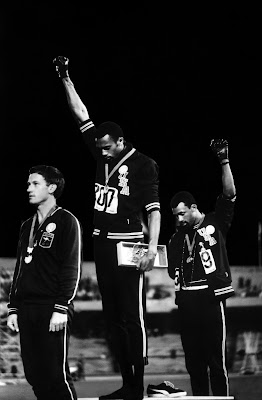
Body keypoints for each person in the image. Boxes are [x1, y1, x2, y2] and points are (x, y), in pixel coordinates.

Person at [53, 56, 162, 400]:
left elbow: (155, 212)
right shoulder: (101, 151)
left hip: (129, 245)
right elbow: (81, 115)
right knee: (112, 318)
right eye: (98, 148)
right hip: (101, 245)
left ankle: (137, 384)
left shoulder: (144, 166)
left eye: (105, 149)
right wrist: (65, 78)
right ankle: (126, 384)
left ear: (119, 142)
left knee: (133, 317)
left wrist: (150, 246)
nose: (101, 154)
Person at [167, 139, 236, 397]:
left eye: (182, 213)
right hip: (186, 300)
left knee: (215, 363)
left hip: (210, 297)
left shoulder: (215, 222)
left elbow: (229, 195)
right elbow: (171, 268)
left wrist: (224, 160)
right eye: (175, 214)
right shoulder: (175, 239)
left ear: (194, 208)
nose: (178, 218)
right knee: (194, 365)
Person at [7, 165, 82, 400]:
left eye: (35, 183)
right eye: (28, 184)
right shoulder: (26, 226)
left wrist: (61, 307)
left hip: (52, 308)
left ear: (51, 187)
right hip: (27, 309)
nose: (28, 188)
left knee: (56, 375)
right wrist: (13, 308)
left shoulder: (67, 221)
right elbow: (19, 269)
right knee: (34, 375)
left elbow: (72, 268)